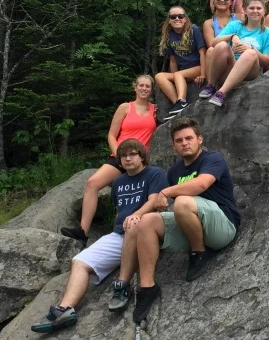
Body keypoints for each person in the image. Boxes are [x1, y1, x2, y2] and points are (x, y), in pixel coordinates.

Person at [31, 139, 167, 333]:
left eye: (132, 154)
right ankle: (65, 310)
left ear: (142, 156)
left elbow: (155, 201)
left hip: (147, 230)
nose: (127, 158)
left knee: (133, 226)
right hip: (120, 233)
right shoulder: (119, 182)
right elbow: (120, 209)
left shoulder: (155, 174)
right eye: (123, 156)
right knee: (80, 261)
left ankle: (122, 286)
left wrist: (137, 215)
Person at [123, 118, 240, 324]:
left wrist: (166, 192)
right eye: (179, 140)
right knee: (147, 222)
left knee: (183, 202)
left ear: (199, 140)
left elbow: (201, 184)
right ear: (174, 145)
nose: (185, 143)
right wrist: (143, 213)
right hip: (192, 225)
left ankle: (198, 254)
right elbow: (164, 205)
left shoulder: (213, 159)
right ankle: (148, 287)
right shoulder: (175, 171)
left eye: (189, 138)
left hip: (222, 226)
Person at [61, 75, 158, 246]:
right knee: (92, 183)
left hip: (140, 160)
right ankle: (83, 232)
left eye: (148, 86)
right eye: (141, 85)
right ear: (134, 87)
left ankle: (124, 234)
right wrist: (118, 155)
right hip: (119, 157)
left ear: (151, 90)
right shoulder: (125, 108)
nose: (144, 89)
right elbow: (112, 135)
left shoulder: (154, 110)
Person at [197, 0, 269, 107]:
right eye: (251, 8)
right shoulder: (235, 25)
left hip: (251, 70)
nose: (255, 11)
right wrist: (232, 36)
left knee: (250, 53)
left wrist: (251, 48)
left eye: (258, 8)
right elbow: (214, 43)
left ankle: (222, 93)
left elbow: (267, 61)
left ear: (264, 11)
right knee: (220, 46)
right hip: (231, 66)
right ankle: (211, 85)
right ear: (245, 10)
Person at [155, 6, 206, 121]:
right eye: (173, 17)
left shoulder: (194, 30)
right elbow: (172, 59)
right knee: (159, 76)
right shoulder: (169, 35)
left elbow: (203, 53)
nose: (177, 18)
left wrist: (203, 74)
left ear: (185, 19)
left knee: (178, 74)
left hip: (197, 67)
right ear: (169, 20)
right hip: (182, 72)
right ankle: (179, 104)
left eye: (180, 16)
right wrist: (174, 79)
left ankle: (181, 102)